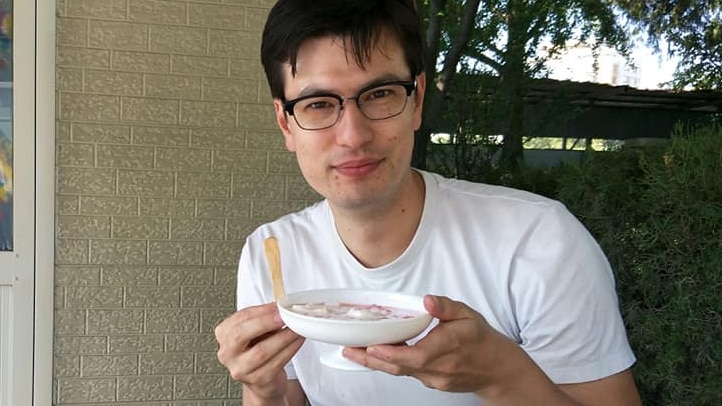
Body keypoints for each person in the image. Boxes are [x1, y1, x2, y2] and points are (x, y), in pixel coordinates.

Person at [214, 0, 642, 404]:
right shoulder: (270, 253)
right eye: (318, 104)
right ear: (285, 123)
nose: (353, 136)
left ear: (416, 99)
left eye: (380, 94)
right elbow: (284, 397)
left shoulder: (538, 241)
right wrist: (263, 390)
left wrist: (500, 374)